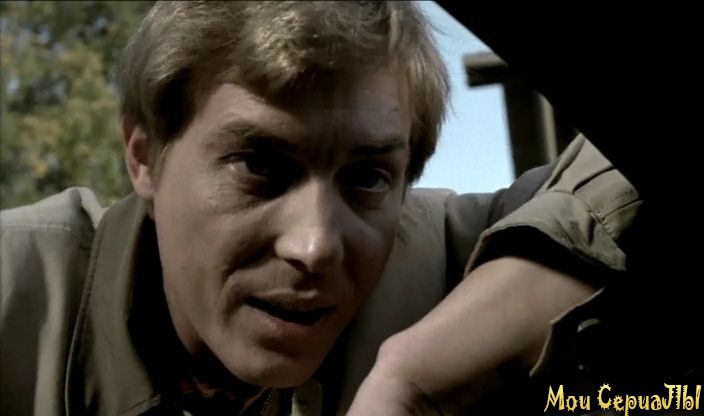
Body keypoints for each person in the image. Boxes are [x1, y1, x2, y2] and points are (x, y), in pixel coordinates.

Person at [0, 2, 639, 415]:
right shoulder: (15, 295)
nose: (315, 246)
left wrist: (415, 375)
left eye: (367, 177)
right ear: (145, 157)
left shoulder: (457, 258)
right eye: (260, 166)